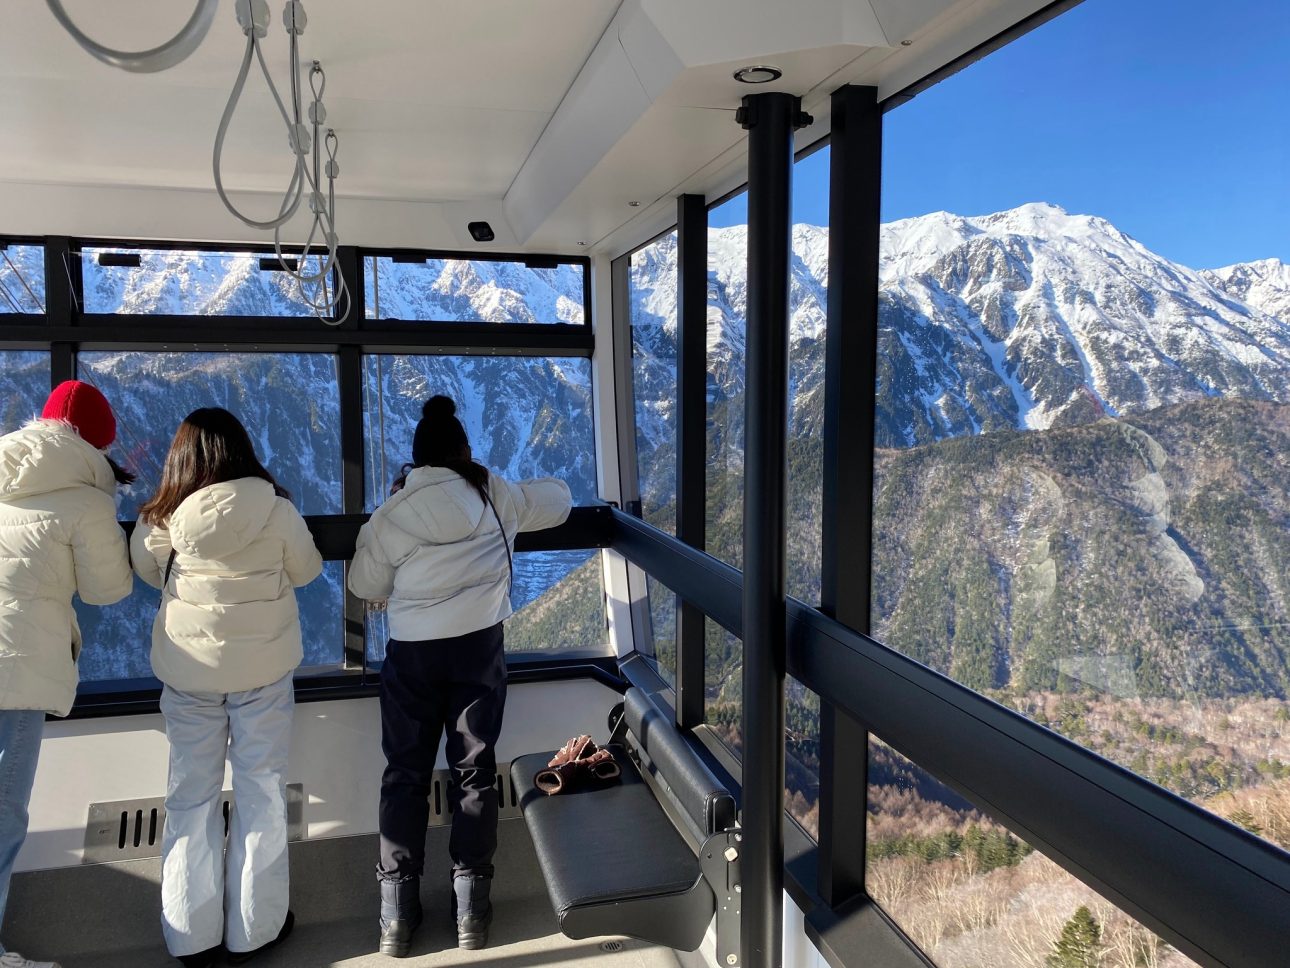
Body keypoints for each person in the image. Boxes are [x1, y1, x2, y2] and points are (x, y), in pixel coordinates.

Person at [349, 395, 571, 957]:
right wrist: (504, 485)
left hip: (413, 655)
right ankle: (472, 911)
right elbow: (563, 501)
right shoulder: (494, 494)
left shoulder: (392, 514)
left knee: (404, 773)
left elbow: (364, 584)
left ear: (415, 461)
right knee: (475, 775)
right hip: (478, 648)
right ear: (462, 452)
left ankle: (396, 917)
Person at [131, 408, 322, 968]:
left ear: (181, 458)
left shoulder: (161, 518)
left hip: (189, 672)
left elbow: (147, 572)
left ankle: (190, 936)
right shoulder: (277, 509)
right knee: (262, 793)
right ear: (242, 451)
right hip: (263, 672)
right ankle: (254, 930)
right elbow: (307, 570)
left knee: (190, 798)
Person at [0, 381, 135, 968]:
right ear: (97, 444)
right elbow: (109, 590)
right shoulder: (87, 499)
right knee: (4, 815)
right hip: (17, 670)